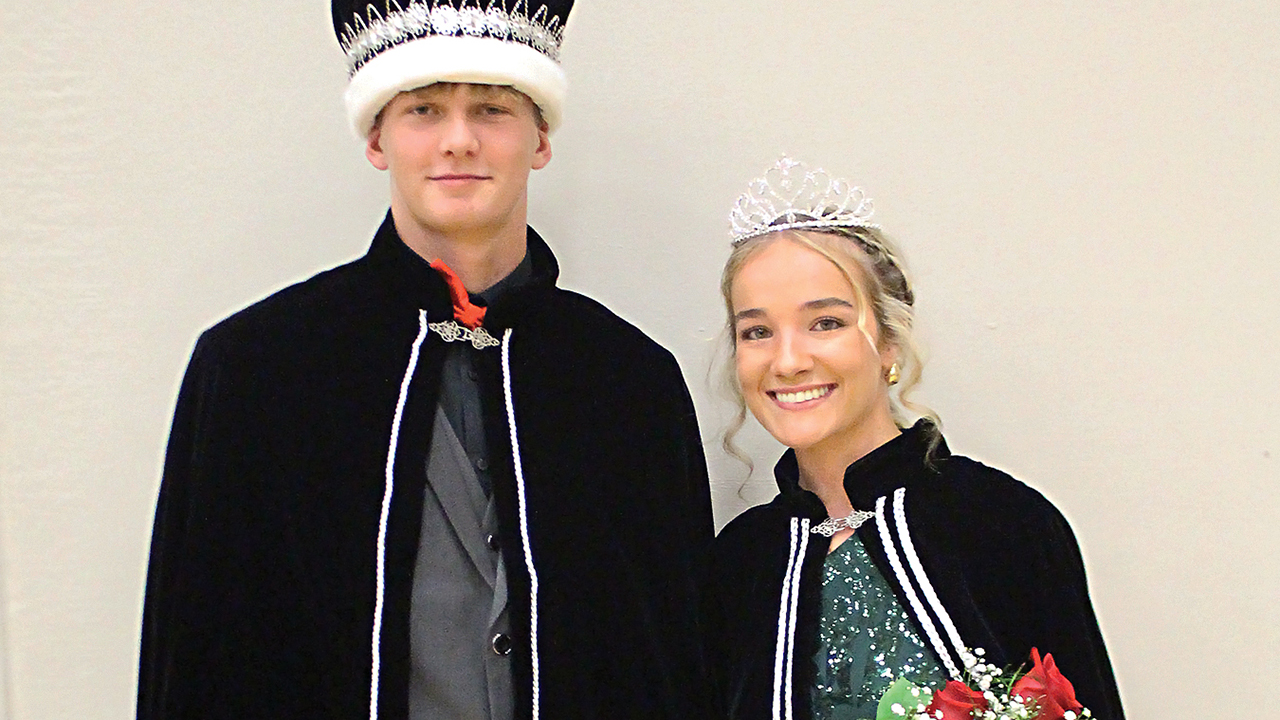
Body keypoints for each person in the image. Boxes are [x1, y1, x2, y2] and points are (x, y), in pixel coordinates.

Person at [136, 2, 713, 719]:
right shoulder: (255, 370)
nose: (459, 141)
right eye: (425, 110)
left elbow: (678, 660)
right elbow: (195, 657)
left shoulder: (631, 382)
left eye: (493, 109)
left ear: (540, 140)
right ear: (378, 138)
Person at [700, 157, 1124, 720]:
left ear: (891, 342)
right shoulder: (738, 560)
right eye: (757, 331)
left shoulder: (1001, 521)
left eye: (825, 322)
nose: (788, 360)